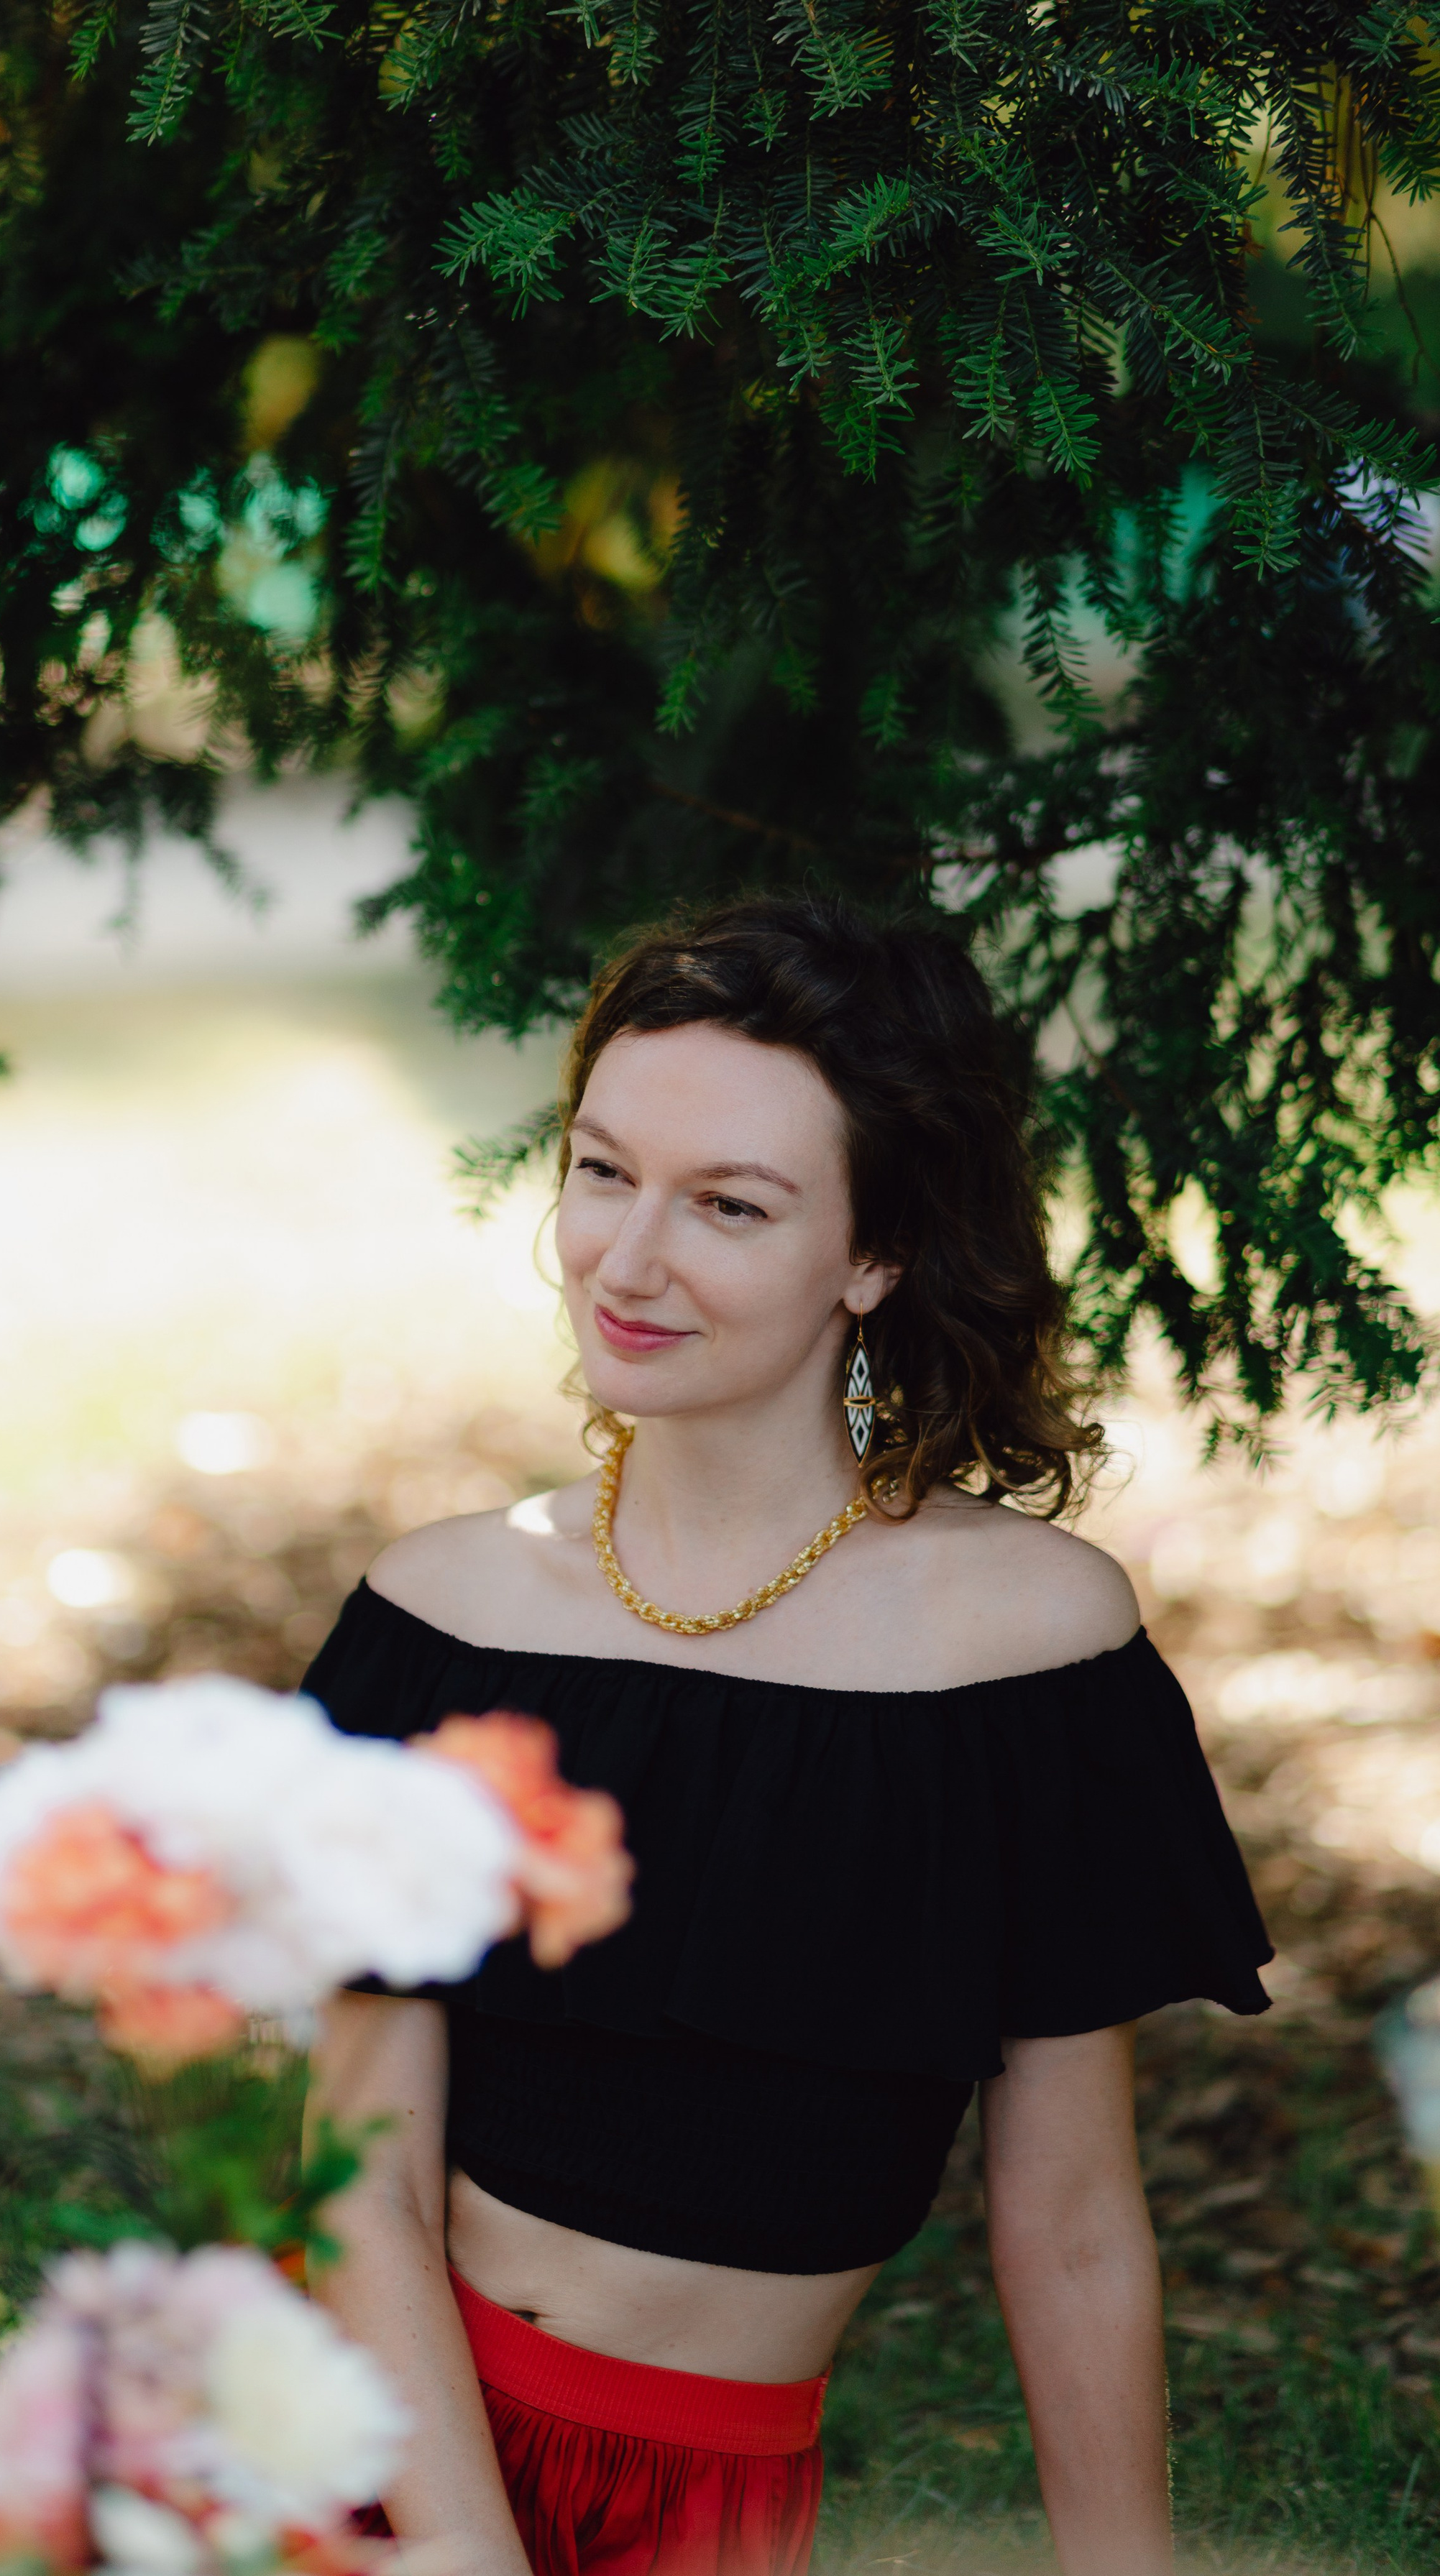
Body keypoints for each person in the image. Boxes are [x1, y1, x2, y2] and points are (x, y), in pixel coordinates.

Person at [299, 896, 1272, 2576]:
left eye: (727, 1205)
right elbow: (354, 2180)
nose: (624, 1256)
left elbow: (1067, 2224)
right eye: (601, 1171)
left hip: (705, 2503)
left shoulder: (1028, 1653)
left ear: (876, 1250)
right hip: (388, 2463)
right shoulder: (445, 1620)